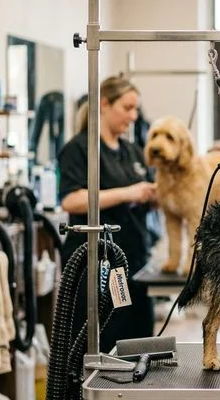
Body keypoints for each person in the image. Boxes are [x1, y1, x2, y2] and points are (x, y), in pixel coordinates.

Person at [58, 76, 157, 352]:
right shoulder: (80, 148)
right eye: (127, 108)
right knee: (106, 342)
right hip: (99, 264)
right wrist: (129, 193)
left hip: (136, 262)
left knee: (141, 342)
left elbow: (147, 195)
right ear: (104, 104)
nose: (134, 116)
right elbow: (71, 200)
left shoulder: (132, 151)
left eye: (136, 109)